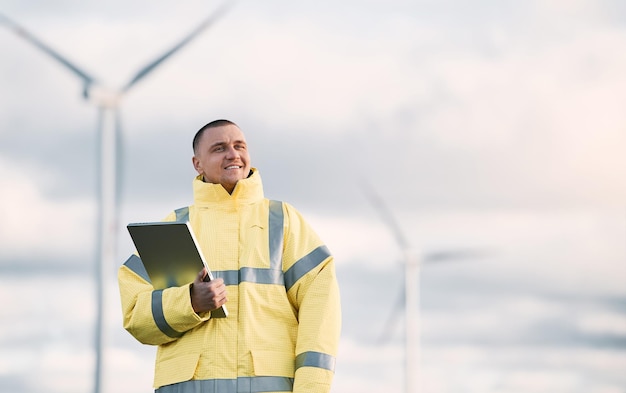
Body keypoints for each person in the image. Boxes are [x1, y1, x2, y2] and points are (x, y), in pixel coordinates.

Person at [118, 119, 342, 393]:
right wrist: (188, 302)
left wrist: (312, 389)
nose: (233, 154)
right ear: (197, 163)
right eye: (219, 148)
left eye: (239, 146)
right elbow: (135, 316)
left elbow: (321, 311)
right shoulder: (173, 227)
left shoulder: (283, 221)